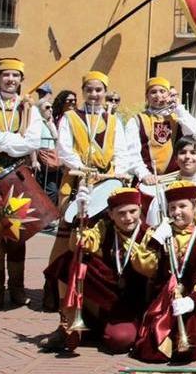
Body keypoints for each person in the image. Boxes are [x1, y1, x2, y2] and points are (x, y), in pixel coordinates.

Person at [45, 71, 146, 312]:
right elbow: (64, 148)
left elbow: (120, 150)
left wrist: (117, 172)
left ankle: (95, 292)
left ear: (105, 93)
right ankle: (58, 294)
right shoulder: (70, 117)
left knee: (101, 238)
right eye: (89, 90)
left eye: (99, 90)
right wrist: (82, 168)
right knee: (69, 238)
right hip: (79, 182)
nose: (94, 94)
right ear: (83, 92)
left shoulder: (113, 120)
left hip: (107, 183)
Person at [41, 186, 157, 353]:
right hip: (110, 291)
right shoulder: (104, 226)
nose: (128, 218)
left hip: (134, 300)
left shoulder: (149, 233)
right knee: (71, 259)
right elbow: (79, 245)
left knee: (120, 341)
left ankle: (97, 327)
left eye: (132, 211)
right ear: (111, 214)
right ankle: (66, 324)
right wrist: (80, 216)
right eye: (121, 213)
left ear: (140, 209)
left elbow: (150, 269)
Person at [0, 58, 47, 308]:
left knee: (17, 233)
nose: (11, 80)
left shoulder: (29, 108)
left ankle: (17, 287)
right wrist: (13, 139)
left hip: (17, 175)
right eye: (6, 75)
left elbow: (32, 141)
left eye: (15, 76)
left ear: (21, 80)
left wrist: (2, 141)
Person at [134, 180, 196, 362]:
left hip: (193, 303)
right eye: (172, 207)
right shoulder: (158, 234)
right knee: (152, 352)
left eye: (182, 206)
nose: (176, 212)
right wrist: (155, 241)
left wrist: (192, 301)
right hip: (164, 301)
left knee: (189, 350)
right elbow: (144, 268)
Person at [127, 76, 196, 178]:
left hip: (176, 177)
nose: (158, 95)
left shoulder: (178, 118)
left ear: (168, 95)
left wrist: (179, 109)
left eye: (162, 91)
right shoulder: (137, 120)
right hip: (148, 179)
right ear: (147, 97)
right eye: (153, 92)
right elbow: (131, 153)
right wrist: (144, 174)